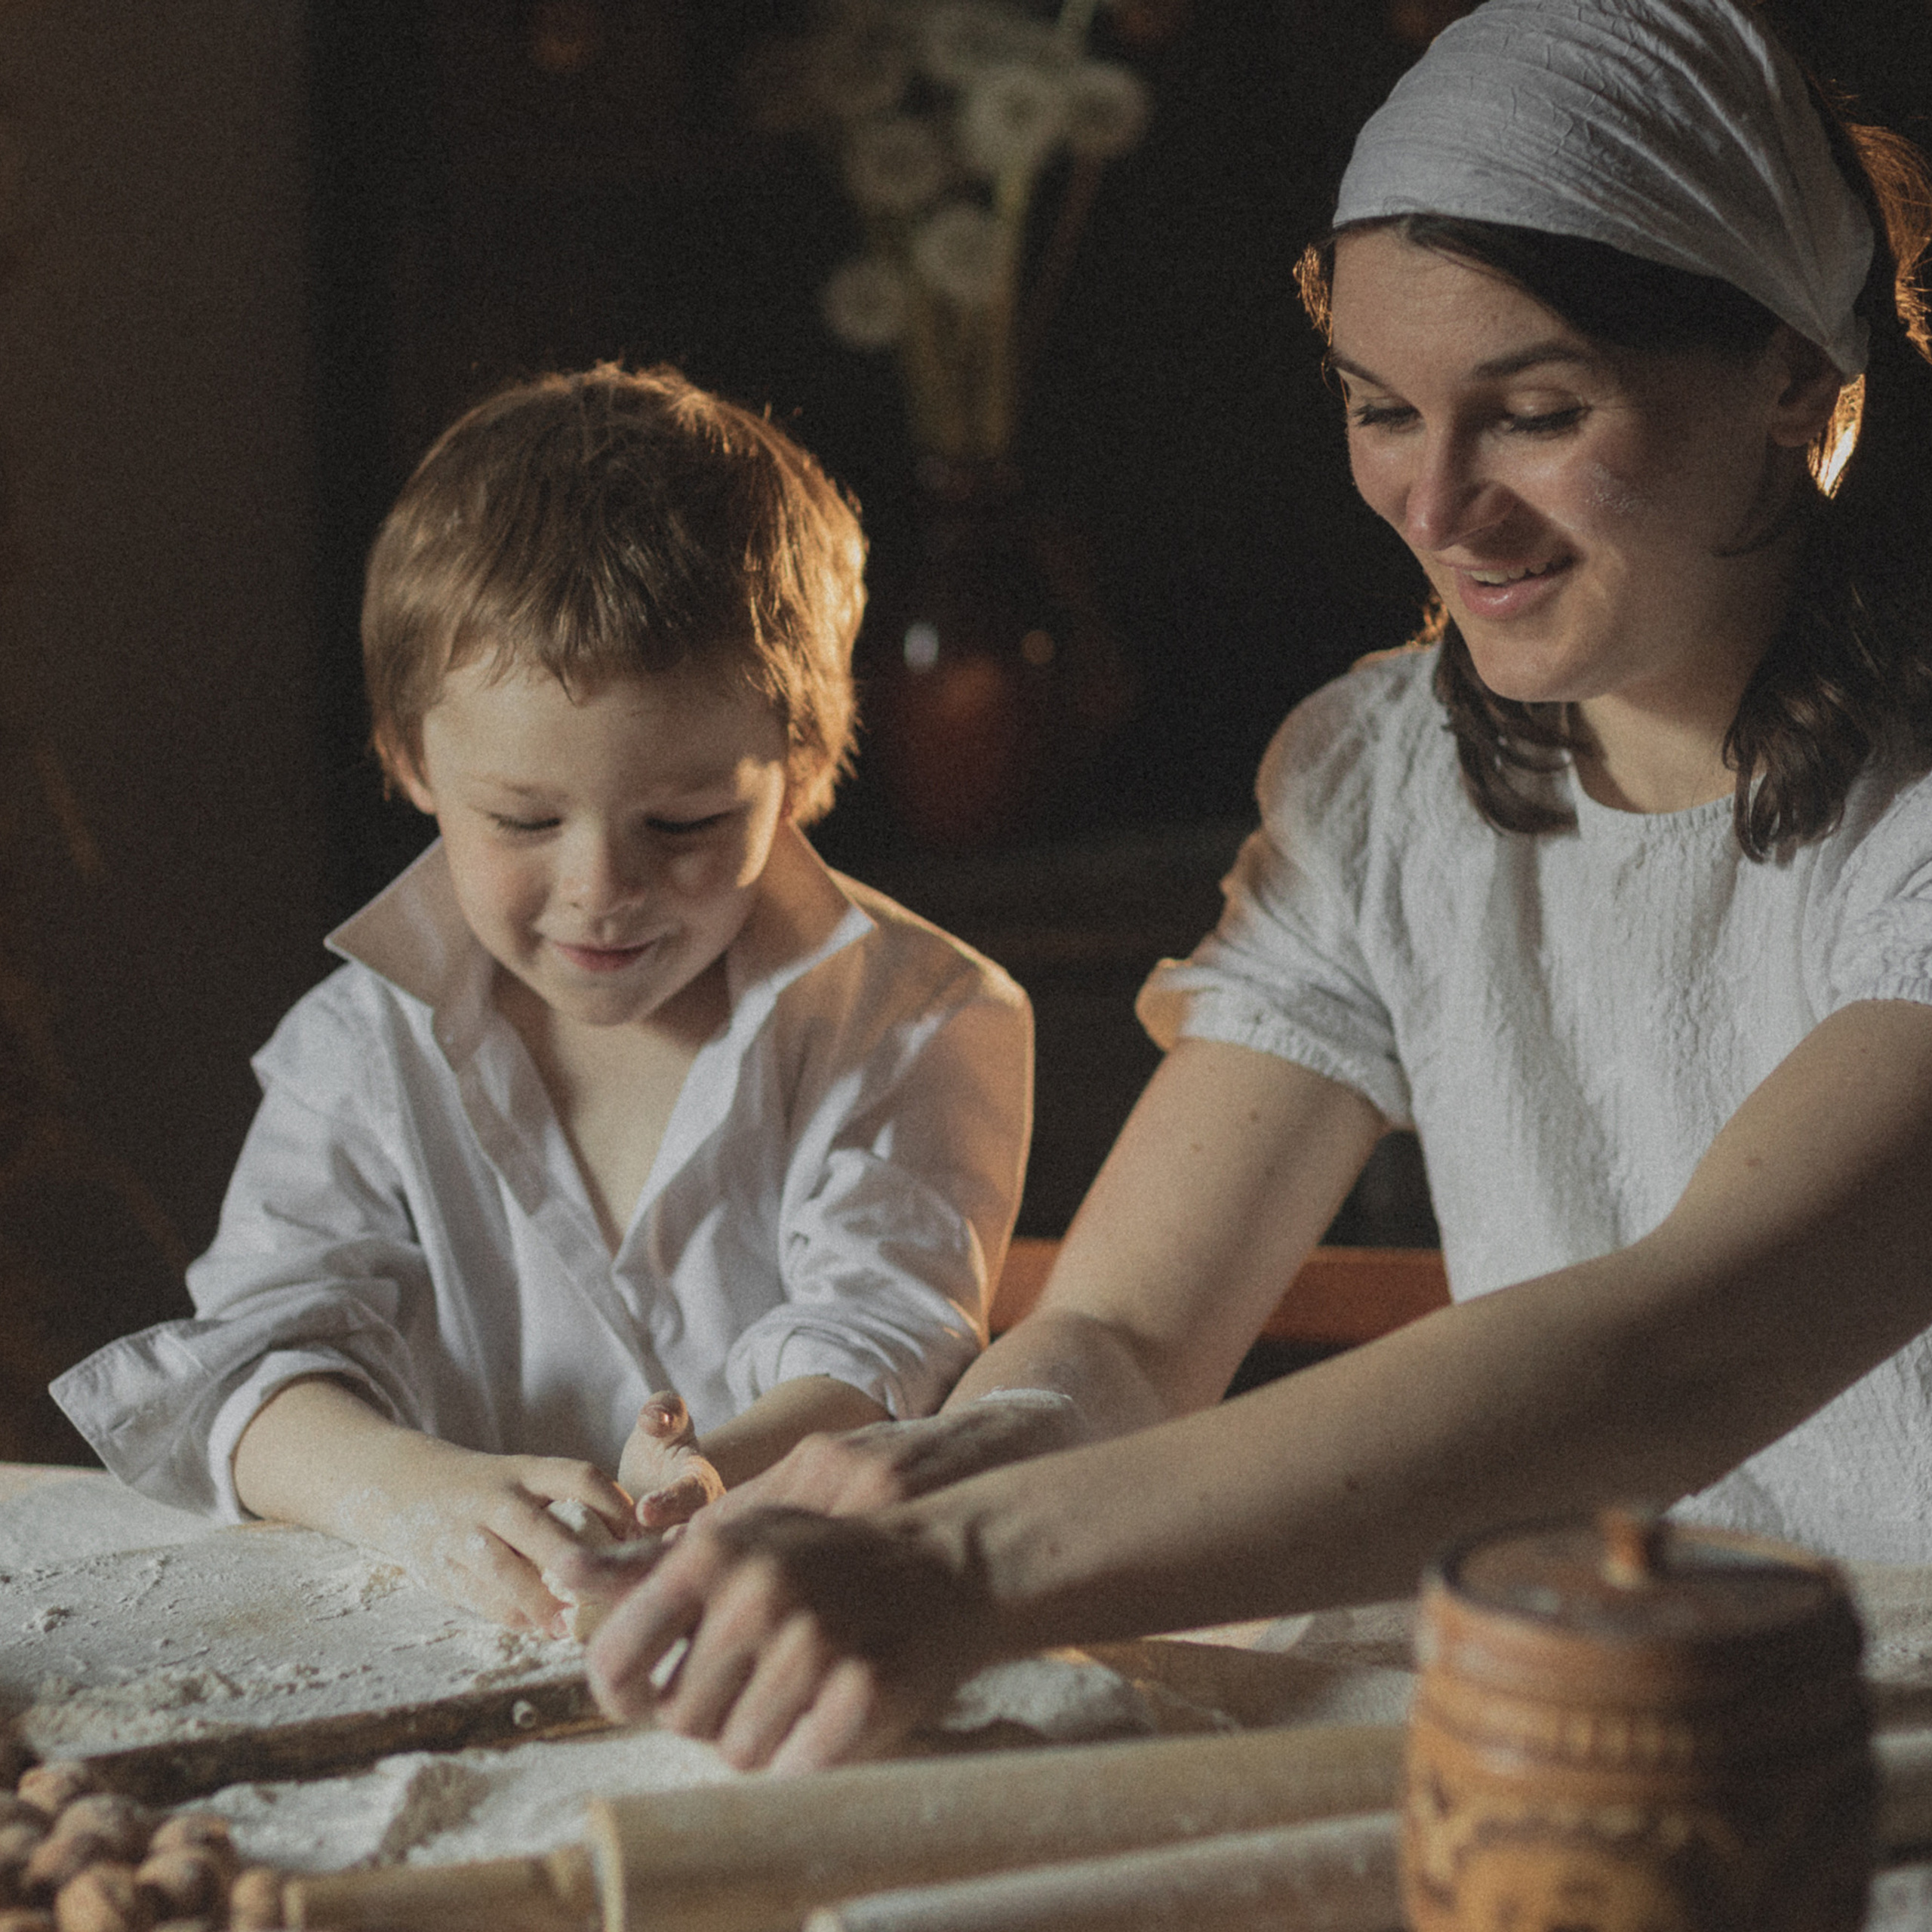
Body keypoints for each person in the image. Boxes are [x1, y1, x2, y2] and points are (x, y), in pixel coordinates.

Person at [568, 0, 1932, 1772]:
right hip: (1553, 1707)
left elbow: (1681, 1351)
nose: (1437, 506)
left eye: (1531, 411)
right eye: (1379, 410)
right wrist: (944, 1462)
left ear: (1789, 380)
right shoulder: (1390, 785)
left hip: (1873, 1733)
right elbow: (1130, 1330)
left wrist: (968, 1560)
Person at [51, 365, 1031, 1633]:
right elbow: (251, 1373)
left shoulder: (915, 1016)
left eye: (683, 821)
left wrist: (710, 1478)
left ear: (797, 768)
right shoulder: (358, 1050)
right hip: (438, 1633)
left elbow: (884, 1339)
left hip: (788, 1625)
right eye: (523, 818)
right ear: (412, 759)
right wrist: (417, 1490)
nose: (602, 891)